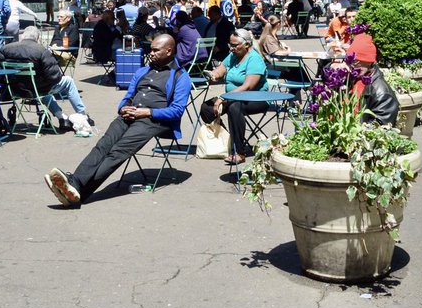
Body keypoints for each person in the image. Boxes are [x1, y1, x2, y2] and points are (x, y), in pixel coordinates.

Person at [44, 34, 190, 208]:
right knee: (103, 145)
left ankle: (77, 189)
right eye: (151, 50)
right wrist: (123, 108)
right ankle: (74, 186)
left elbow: (177, 111)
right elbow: (127, 97)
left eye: (155, 50)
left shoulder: (180, 77)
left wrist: (147, 112)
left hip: (153, 120)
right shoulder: (142, 71)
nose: (151, 53)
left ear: (169, 51)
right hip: (129, 115)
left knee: (118, 151)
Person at [0, 26, 91, 132]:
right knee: (68, 81)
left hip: (15, 88)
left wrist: (5, 77)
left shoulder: (7, 48)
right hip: (37, 88)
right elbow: (54, 76)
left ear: (23, 36)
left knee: (43, 88)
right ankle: (82, 115)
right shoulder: (41, 50)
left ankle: (62, 118)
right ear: (37, 38)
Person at [198, 28, 268, 164]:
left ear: (246, 45)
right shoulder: (233, 55)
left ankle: (239, 152)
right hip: (233, 97)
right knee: (207, 107)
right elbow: (221, 70)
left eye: (235, 45)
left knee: (234, 107)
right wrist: (213, 75)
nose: (231, 48)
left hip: (256, 98)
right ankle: (227, 139)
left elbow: (248, 86)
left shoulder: (254, 59)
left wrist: (223, 97)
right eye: (230, 45)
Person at [341, 31, 400, 126]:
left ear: (369, 62)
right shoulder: (354, 78)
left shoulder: (382, 93)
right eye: (351, 61)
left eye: (358, 61)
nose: (353, 66)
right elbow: (327, 81)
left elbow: (380, 127)